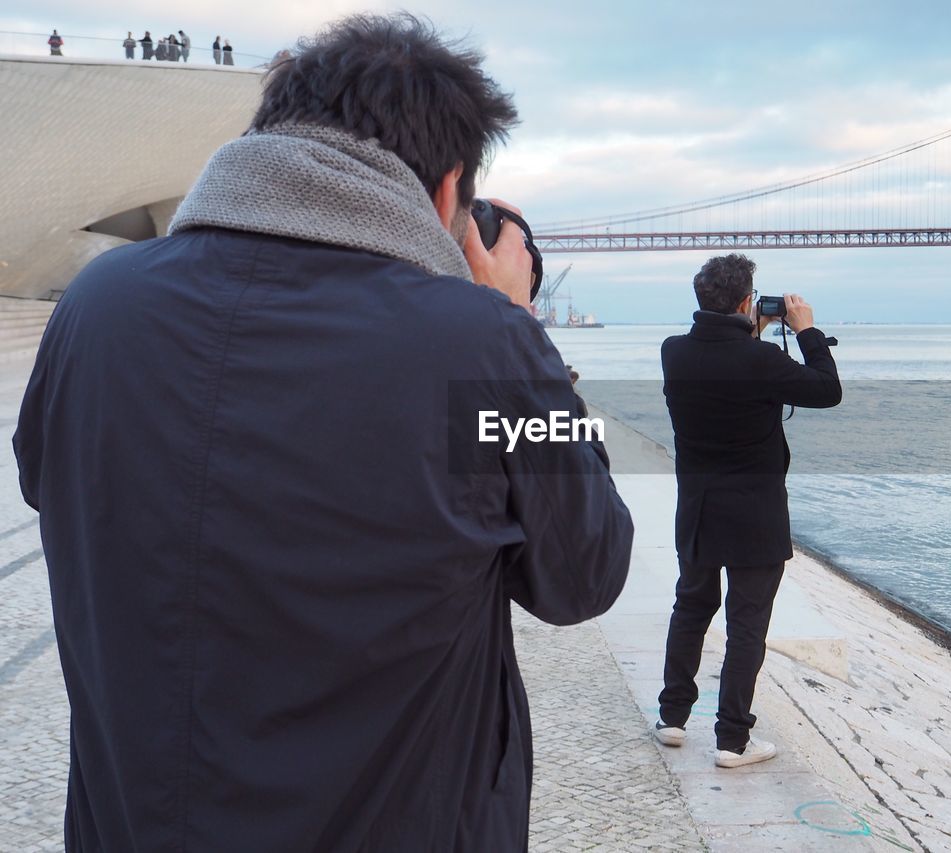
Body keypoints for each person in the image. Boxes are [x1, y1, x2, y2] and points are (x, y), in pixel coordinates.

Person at [13, 13, 632, 852]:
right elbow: (584, 571)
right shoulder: (480, 343)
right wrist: (525, 332)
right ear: (449, 188)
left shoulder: (99, 304)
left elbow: (44, 478)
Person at [653, 254, 841, 768]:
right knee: (746, 624)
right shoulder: (762, 362)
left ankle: (672, 717)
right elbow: (828, 389)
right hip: (756, 514)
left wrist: (746, 327)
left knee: (691, 607)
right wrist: (807, 331)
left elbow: (723, 357)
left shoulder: (674, 353)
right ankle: (732, 740)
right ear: (745, 301)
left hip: (697, 509)